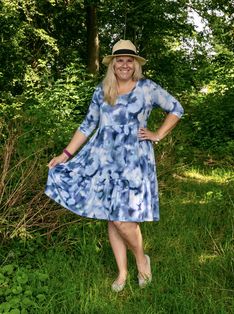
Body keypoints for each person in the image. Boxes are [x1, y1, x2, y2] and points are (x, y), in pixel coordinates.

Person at [45, 39, 184, 292]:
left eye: (129, 60)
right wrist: (65, 155)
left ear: (135, 64)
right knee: (112, 217)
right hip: (104, 162)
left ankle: (142, 260)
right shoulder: (103, 90)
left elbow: (176, 108)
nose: (124, 65)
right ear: (112, 64)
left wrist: (158, 134)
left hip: (135, 163)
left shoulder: (147, 88)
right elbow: (87, 125)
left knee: (124, 220)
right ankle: (122, 273)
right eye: (119, 60)